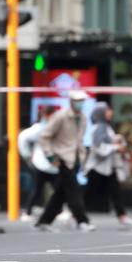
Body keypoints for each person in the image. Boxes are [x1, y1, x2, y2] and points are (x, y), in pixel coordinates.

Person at [35, 90, 95, 232]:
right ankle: (82, 220)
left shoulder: (83, 118)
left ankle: (44, 221)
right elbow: (44, 136)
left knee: (60, 194)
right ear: (71, 101)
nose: (80, 103)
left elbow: (79, 140)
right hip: (62, 158)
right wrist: (50, 156)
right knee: (74, 191)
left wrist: (82, 158)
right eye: (77, 100)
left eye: (82, 101)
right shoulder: (60, 117)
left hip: (74, 159)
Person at [83, 102, 132, 228]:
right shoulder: (98, 128)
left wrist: (117, 141)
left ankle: (122, 216)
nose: (110, 112)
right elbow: (99, 148)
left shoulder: (106, 127)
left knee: (115, 192)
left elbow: (109, 141)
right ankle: (76, 215)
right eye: (107, 110)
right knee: (88, 193)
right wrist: (115, 147)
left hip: (108, 167)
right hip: (97, 167)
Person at [18, 106, 59, 221]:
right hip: (41, 164)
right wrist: (27, 155)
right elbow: (22, 138)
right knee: (38, 190)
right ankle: (28, 212)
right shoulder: (40, 129)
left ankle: (56, 210)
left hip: (51, 164)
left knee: (55, 189)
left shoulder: (50, 127)